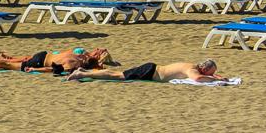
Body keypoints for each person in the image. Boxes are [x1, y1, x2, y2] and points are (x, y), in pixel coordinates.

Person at [68, 58, 227, 83]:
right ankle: (81, 73)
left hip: (152, 68)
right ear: (203, 68)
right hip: (150, 72)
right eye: (210, 72)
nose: (211, 75)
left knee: (117, 74)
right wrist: (217, 80)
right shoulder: (192, 70)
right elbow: (198, 79)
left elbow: (203, 75)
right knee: (117, 75)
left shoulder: (190, 65)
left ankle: (85, 71)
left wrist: (219, 76)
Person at [0, 47, 107, 74]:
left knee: (9, 64)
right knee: (8, 65)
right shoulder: (73, 65)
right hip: (39, 63)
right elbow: (51, 69)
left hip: (43, 54)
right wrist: (35, 70)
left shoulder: (79, 55)